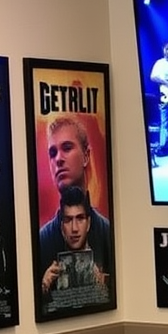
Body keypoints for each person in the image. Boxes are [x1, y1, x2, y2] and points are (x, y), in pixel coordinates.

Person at [37, 116, 112, 272]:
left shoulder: (108, 233)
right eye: (52, 153)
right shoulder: (41, 241)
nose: (58, 159)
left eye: (67, 148)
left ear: (86, 156)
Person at [40, 185, 109, 299]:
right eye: (68, 220)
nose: (74, 228)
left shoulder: (106, 235)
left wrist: (105, 282)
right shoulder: (43, 244)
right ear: (62, 226)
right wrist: (44, 286)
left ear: (89, 223)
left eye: (80, 218)